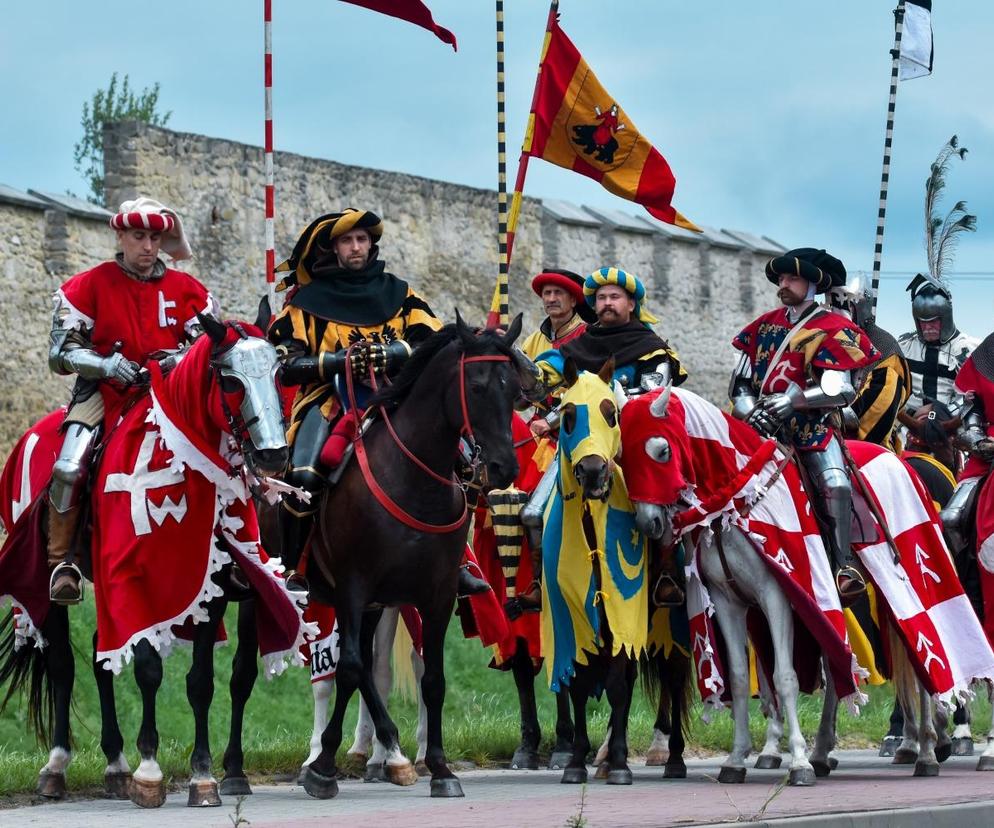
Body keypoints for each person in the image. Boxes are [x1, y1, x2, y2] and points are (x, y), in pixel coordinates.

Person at [267, 209, 492, 596]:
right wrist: (339, 361)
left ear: (371, 244)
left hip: (400, 396)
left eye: (362, 240)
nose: (356, 247)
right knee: (304, 476)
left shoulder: (400, 293)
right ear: (334, 248)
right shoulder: (306, 303)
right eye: (347, 241)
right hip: (329, 400)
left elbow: (435, 344)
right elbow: (285, 364)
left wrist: (393, 354)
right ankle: (292, 569)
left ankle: (456, 562)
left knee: (466, 462)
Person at [47, 197, 218, 604]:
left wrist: (177, 359)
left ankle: (227, 553)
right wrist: (106, 365)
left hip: (169, 396)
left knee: (222, 456)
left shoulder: (188, 290)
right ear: (120, 235)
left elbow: (210, 346)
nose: (147, 247)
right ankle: (63, 562)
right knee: (69, 466)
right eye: (139, 236)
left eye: (155, 238)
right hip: (104, 395)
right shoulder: (88, 284)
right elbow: (60, 353)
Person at [519, 266, 688, 608]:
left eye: (614, 297)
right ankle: (540, 584)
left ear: (631, 303)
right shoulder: (580, 345)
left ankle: (667, 573)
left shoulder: (652, 349)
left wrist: (603, 400)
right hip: (584, 441)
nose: (607, 303)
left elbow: (652, 398)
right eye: (600, 298)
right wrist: (515, 363)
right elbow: (546, 378)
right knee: (533, 512)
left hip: (632, 440)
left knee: (660, 510)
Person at [730, 248, 879, 603]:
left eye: (792, 278)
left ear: (812, 284)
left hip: (810, 427)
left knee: (835, 483)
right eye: (781, 279)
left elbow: (840, 388)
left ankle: (843, 563)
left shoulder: (837, 330)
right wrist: (751, 411)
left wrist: (793, 401)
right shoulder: (761, 327)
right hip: (761, 426)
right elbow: (739, 385)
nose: (783, 284)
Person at [829, 274, 911, 453]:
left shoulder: (885, 348)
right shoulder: (828, 341)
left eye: (845, 305)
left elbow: (877, 412)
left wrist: (834, 423)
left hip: (866, 445)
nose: (838, 311)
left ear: (858, 306)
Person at [520, 268, 596, 438]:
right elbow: (521, 402)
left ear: (573, 300)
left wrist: (551, 421)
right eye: (547, 293)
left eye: (558, 293)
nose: (551, 299)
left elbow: (590, 391)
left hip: (577, 428)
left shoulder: (588, 336)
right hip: (537, 428)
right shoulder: (532, 341)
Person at [940, 332, 994, 556]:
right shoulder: (989, 350)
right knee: (951, 518)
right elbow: (971, 406)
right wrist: (977, 440)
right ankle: (964, 583)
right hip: (988, 447)